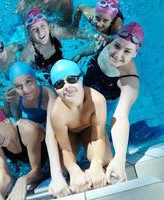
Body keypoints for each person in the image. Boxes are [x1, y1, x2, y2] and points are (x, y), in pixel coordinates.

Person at [82, 22, 144, 183]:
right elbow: (94, 50)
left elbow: (121, 116)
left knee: (97, 124)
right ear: (113, 40)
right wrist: (80, 55)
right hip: (88, 82)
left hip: (106, 97)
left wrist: (120, 157)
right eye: (117, 46)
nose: (118, 54)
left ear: (135, 53)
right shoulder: (108, 41)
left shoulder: (130, 80)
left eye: (127, 51)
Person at [4, 61, 71, 197]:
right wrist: (7, 102)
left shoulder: (47, 95)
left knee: (63, 169)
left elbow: (52, 133)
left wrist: (55, 173)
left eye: (28, 82)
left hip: (53, 125)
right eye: (18, 86)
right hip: (36, 127)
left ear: (35, 79)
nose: (25, 89)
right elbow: (16, 120)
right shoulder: (17, 97)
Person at [49, 59, 112, 193]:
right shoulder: (56, 113)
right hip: (70, 133)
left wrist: (96, 164)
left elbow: (98, 138)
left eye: (71, 79)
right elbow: (65, 149)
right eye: (59, 84)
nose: (66, 86)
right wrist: (73, 169)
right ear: (55, 89)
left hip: (90, 128)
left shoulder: (97, 100)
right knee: (64, 169)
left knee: (105, 159)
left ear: (81, 78)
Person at [0, 106, 49, 200]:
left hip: (46, 162)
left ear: (6, 120)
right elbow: (5, 175)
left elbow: (38, 171)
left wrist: (23, 180)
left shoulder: (28, 131)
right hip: (23, 163)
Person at [21, 8, 98, 84]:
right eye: (34, 29)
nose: (40, 32)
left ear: (48, 26)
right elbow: (22, 77)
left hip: (63, 66)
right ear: (29, 35)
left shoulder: (56, 33)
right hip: (46, 78)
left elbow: (75, 33)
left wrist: (93, 36)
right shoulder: (29, 53)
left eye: (42, 26)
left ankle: (81, 54)